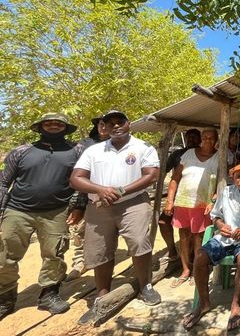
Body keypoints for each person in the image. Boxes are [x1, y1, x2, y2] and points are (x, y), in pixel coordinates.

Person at [70, 110, 162, 322]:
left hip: (133, 203)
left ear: (129, 123)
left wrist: (120, 191)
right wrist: (100, 190)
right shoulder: (94, 151)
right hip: (99, 205)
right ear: (104, 127)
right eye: (110, 123)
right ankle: (102, 295)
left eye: (120, 121)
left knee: (139, 242)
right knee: (99, 250)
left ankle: (145, 285)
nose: (116, 126)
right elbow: (76, 178)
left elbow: (152, 176)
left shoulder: (143, 147)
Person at [0, 113, 84, 319]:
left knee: (54, 254)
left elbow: (83, 180)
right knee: (4, 256)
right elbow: (3, 182)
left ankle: (49, 295)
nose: (54, 125)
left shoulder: (77, 151)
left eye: (58, 123)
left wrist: (79, 206)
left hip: (56, 212)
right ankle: (5, 298)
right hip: (17, 211)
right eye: (49, 123)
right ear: (40, 127)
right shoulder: (21, 151)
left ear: (65, 128)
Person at [183, 161, 240, 332]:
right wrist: (220, 225)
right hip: (225, 238)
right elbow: (216, 216)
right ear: (233, 178)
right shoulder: (226, 192)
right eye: (238, 176)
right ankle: (204, 303)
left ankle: (236, 304)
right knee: (200, 257)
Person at [165, 128, 219, 287]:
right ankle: (185, 269)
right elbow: (175, 178)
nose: (207, 140)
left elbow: (220, 183)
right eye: (205, 137)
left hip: (202, 205)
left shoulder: (219, 158)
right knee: (183, 236)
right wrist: (170, 200)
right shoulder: (189, 154)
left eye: (211, 138)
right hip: (182, 202)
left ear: (216, 140)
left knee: (198, 238)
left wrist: (213, 201)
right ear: (201, 138)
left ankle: (197, 270)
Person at [65, 116, 110, 283]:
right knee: (79, 229)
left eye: (107, 124)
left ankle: (103, 258)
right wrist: (79, 203)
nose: (104, 127)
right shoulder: (85, 145)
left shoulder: (120, 143)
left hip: (112, 193)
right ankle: (80, 261)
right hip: (84, 194)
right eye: (101, 124)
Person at [159, 128, 202, 263]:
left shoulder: (204, 154)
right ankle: (172, 250)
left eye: (195, 137)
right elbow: (164, 170)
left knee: (191, 229)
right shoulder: (177, 154)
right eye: (189, 137)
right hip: (177, 196)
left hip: (197, 198)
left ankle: (191, 256)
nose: (191, 139)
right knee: (163, 221)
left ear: (200, 139)